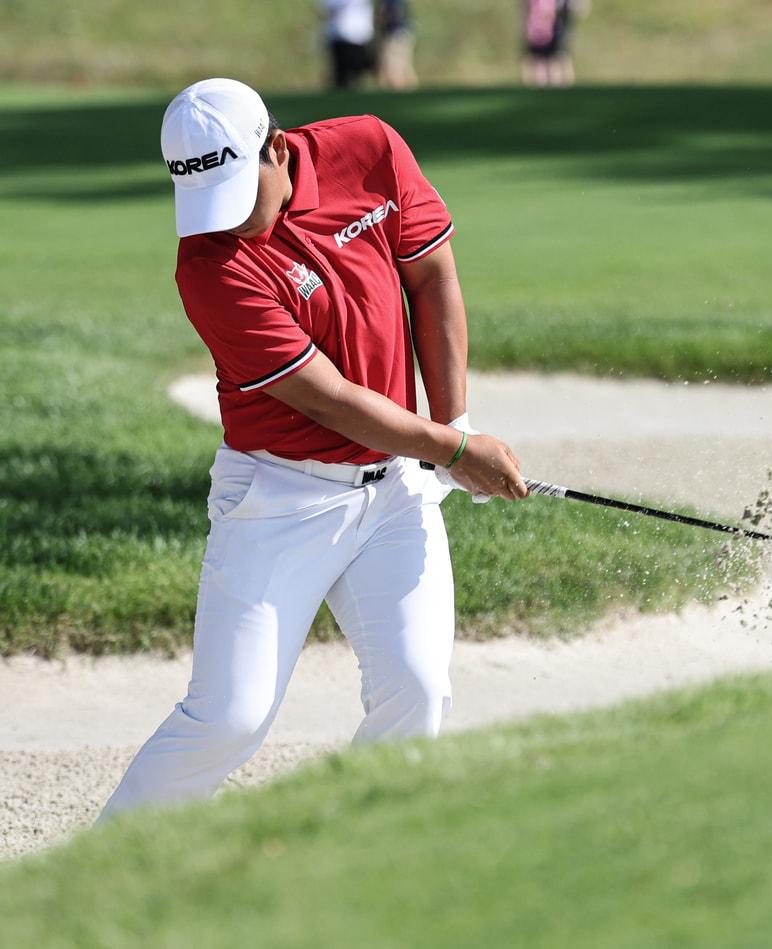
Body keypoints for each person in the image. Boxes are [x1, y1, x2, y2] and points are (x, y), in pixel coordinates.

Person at [101, 78, 527, 817]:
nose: (224, 221)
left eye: (238, 191)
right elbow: (327, 398)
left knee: (419, 692)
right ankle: (89, 877)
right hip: (277, 500)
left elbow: (432, 278)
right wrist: (454, 449)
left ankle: (348, 865)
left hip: (393, 491)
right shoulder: (208, 267)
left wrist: (454, 426)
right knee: (229, 718)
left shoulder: (368, 149)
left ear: (276, 145)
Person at [521, 0, 586, 88]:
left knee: (556, 59)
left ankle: (557, 88)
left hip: (554, 30)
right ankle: (545, 89)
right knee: (542, 60)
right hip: (540, 31)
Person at [320, 0, 376, 89]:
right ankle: (342, 89)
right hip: (339, 35)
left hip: (358, 36)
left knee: (357, 68)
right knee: (342, 71)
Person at [377, 0, 418, 91]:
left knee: (394, 65)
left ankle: (399, 92)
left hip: (395, 34)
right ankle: (411, 92)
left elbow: (393, 15)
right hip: (404, 33)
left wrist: (382, 18)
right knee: (404, 65)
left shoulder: (392, 2)